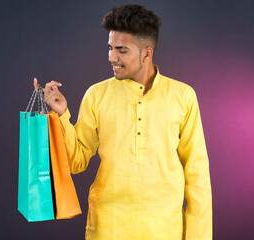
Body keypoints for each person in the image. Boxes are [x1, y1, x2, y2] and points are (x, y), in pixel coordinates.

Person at [34, 4, 212, 240]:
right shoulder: (96, 95)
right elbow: (76, 161)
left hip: (164, 230)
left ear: (147, 53)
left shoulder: (182, 96)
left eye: (121, 50)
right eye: (109, 48)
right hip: (108, 228)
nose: (111, 57)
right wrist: (61, 115)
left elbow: (197, 173)